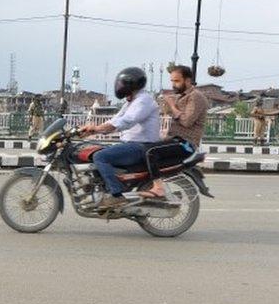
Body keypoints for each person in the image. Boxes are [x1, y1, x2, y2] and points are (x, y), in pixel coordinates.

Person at [80, 67, 162, 210]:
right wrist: (90, 130)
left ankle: (117, 195)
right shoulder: (131, 102)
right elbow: (116, 120)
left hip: (140, 146)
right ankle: (103, 189)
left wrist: (97, 129)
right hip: (132, 144)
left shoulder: (143, 101)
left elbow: (127, 121)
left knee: (100, 157)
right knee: (95, 150)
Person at [147, 65, 209, 198]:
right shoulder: (180, 96)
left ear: (187, 80)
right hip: (174, 139)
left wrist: (172, 106)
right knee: (142, 147)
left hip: (185, 144)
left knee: (149, 152)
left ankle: (158, 188)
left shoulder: (195, 97)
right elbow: (164, 113)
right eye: (172, 81)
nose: (173, 84)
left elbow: (186, 121)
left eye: (177, 81)